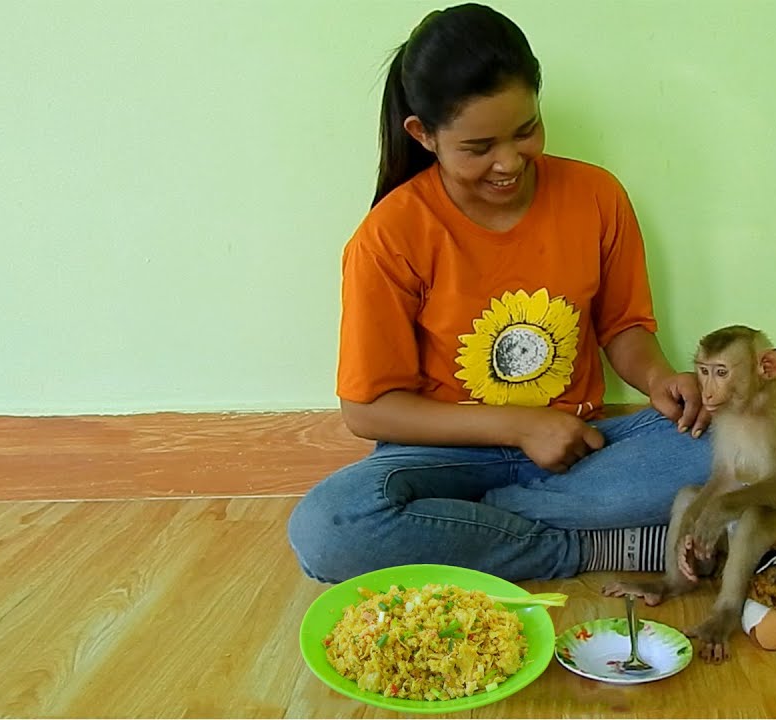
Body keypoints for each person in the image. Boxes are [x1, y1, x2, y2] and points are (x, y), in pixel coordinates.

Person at [287, 3, 711, 583]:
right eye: (479, 147)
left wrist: (661, 380)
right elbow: (367, 409)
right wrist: (519, 426)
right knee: (329, 527)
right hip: (442, 462)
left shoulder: (596, 195)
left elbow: (623, 327)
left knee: (748, 426)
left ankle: (471, 527)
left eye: (525, 131)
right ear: (424, 135)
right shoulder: (390, 235)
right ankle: (589, 547)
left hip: (578, 452)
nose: (509, 161)